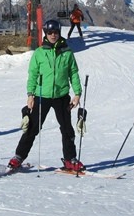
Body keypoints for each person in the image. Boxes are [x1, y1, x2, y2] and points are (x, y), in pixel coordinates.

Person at [8, 19, 84, 171]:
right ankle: (19, 156)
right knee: (33, 127)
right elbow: (33, 74)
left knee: (67, 129)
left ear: (59, 33)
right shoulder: (39, 53)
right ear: (46, 34)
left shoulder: (67, 52)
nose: (53, 35)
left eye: (55, 32)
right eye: (50, 32)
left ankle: (70, 159)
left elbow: (73, 73)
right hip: (42, 95)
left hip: (61, 96)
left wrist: (77, 94)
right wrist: (30, 95)